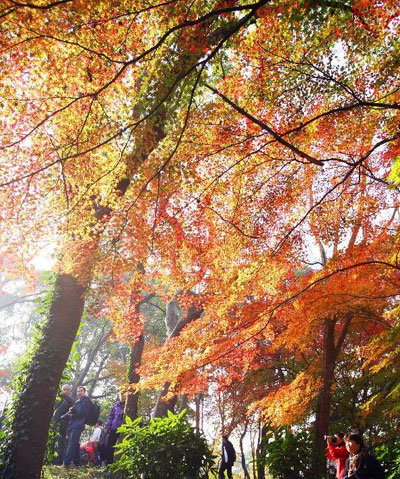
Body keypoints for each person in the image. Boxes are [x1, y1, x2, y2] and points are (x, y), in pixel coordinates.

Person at [63, 385, 91, 467]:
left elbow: (83, 413)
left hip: (78, 425)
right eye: (78, 391)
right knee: (75, 443)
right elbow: (75, 411)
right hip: (73, 424)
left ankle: (66, 463)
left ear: (84, 392)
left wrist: (73, 415)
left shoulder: (86, 401)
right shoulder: (78, 401)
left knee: (72, 443)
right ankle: (77, 462)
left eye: (81, 391)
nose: (79, 393)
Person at [52, 384, 74, 465]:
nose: (65, 391)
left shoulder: (70, 399)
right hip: (55, 422)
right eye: (64, 389)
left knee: (61, 443)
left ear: (70, 390)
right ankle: (52, 460)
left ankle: (58, 462)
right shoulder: (58, 398)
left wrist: (64, 396)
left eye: (67, 389)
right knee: (53, 441)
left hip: (64, 425)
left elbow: (72, 409)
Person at [104, 390, 126, 465]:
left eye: (124, 395)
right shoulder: (116, 405)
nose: (123, 397)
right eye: (121, 395)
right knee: (109, 446)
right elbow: (111, 417)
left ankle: (119, 464)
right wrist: (107, 427)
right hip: (113, 428)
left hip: (123, 429)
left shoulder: (128, 406)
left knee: (121, 447)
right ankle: (108, 464)